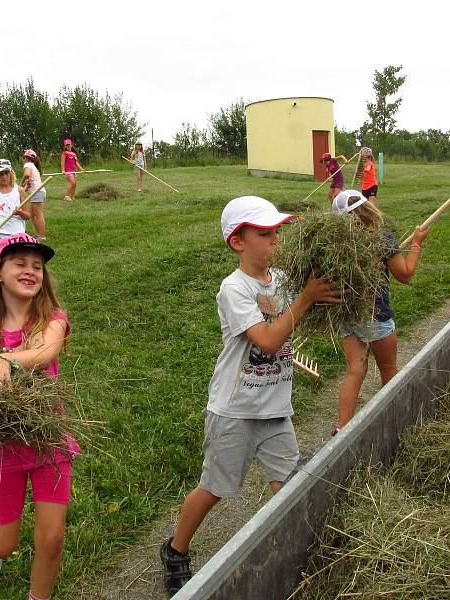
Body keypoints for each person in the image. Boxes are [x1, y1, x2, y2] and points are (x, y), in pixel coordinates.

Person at [160, 196, 341, 596]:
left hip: (276, 409)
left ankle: (298, 552)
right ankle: (176, 550)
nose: (275, 240)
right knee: (214, 489)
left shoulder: (281, 279)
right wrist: (307, 299)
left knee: (289, 485)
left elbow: (308, 291)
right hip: (235, 410)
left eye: (277, 232)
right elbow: (269, 340)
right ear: (237, 242)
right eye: (264, 233)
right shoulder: (233, 288)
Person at [0, 232, 79, 600]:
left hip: (50, 439)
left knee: (52, 538)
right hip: (4, 447)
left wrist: (5, 358)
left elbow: (46, 354)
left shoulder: (53, 319)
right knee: (4, 546)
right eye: (20, 263)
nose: (31, 270)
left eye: (38, 265)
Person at [331, 190, 428, 435]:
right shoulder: (381, 238)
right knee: (388, 369)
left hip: (348, 315)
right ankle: (397, 422)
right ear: (368, 208)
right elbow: (405, 274)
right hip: (377, 315)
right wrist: (416, 243)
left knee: (355, 370)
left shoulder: (337, 244)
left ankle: (341, 428)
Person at [0, 159, 30, 240]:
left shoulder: (20, 190)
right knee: (5, 252)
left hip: (19, 231)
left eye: (6, 173)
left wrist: (20, 213)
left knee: (18, 253)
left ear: (10, 173)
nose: (4, 176)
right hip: (1, 232)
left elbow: (28, 216)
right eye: (0, 174)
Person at [21, 150, 47, 241]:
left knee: (38, 214)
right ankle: (37, 234)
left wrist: (21, 183)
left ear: (25, 158)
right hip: (36, 192)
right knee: (32, 215)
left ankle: (42, 236)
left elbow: (27, 175)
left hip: (37, 191)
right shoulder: (33, 166)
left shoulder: (27, 165)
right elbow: (30, 182)